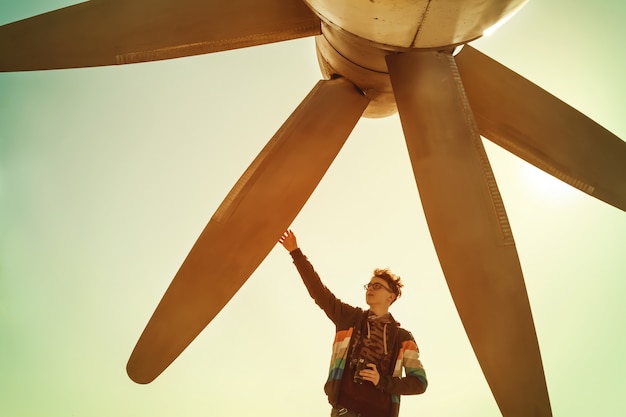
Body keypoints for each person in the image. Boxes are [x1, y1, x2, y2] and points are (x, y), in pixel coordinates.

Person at [279, 230, 427, 417]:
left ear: (391, 296)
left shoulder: (402, 337)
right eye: (369, 285)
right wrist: (295, 252)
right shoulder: (349, 318)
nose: (370, 289)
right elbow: (319, 292)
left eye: (377, 286)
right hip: (343, 411)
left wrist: (382, 381)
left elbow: (419, 383)